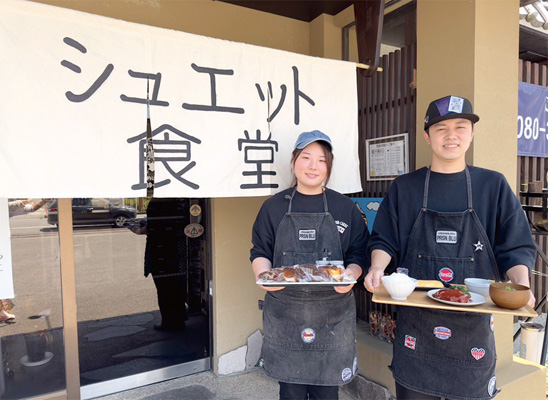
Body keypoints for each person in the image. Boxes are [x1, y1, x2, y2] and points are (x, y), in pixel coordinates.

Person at [363, 95, 537, 400]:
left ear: (472, 133)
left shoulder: (492, 186)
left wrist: (520, 285)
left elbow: (516, 245)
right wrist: (377, 267)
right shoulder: (405, 187)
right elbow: (384, 240)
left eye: (461, 126)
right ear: (428, 137)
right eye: (441, 128)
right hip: (415, 333)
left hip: (473, 338)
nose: (452, 135)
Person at [251, 130, 370, 400]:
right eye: (306, 157)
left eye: (321, 160)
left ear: (329, 166)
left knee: (327, 392)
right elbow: (260, 251)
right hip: (286, 313)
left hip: (333, 316)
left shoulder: (345, 207)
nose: (313, 166)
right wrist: (264, 276)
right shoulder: (273, 207)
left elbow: (359, 253)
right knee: (290, 390)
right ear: (293, 162)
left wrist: (351, 275)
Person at [130, 198, 189, 331]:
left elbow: (153, 228)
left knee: (164, 289)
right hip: (178, 253)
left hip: (162, 253)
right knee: (177, 288)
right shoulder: (181, 200)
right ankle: (179, 319)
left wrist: (137, 229)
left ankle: (170, 322)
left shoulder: (158, 203)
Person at [2, 199, 51, 323]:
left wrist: (42, 201)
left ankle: (3, 311)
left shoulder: (4, 209)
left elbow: (30, 209)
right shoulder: (3, 206)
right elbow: (15, 205)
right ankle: (3, 312)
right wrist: (33, 196)